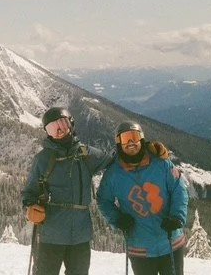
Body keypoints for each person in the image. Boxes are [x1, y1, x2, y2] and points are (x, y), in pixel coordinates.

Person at [22, 106, 113, 275]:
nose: (59, 131)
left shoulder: (86, 154)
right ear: (47, 132)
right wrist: (30, 207)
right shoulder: (42, 160)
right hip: (51, 235)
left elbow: (113, 160)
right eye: (52, 128)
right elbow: (29, 193)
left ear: (71, 124)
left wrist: (147, 152)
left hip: (80, 237)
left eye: (62, 125)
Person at [97, 121, 188, 275]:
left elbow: (178, 188)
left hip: (170, 241)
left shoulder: (161, 163)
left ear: (142, 139)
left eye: (135, 137)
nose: (131, 143)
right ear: (119, 143)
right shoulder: (113, 174)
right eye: (126, 139)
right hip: (140, 248)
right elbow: (103, 200)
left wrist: (177, 217)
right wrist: (117, 219)